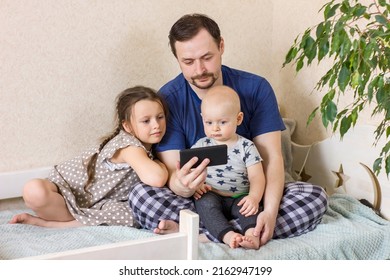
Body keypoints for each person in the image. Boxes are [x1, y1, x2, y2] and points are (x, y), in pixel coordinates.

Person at [129, 13, 328, 245]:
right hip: (199, 201)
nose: (199, 70)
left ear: (221, 46)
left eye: (207, 57)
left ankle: (200, 233)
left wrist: (270, 213)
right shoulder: (168, 100)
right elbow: (173, 176)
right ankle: (237, 231)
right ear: (177, 59)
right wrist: (183, 186)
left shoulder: (256, 88)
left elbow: (272, 159)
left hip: (251, 197)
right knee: (141, 195)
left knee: (315, 197)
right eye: (188, 62)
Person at [10, 86, 168, 228]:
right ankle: (53, 220)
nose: (156, 125)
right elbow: (157, 178)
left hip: (100, 204)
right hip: (66, 192)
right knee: (33, 190)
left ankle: (51, 224)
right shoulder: (129, 146)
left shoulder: (149, 146)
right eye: (146, 121)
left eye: (160, 117)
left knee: (134, 216)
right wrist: (161, 164)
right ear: (127, 126)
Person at [193, 85, 265, 249]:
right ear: (202, 118)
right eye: (209, 122)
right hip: (212, 194)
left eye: (223, 122)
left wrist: (254, 197)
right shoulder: (201, 146)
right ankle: (227, 235)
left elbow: (257, 176)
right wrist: (197, 186)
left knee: (250, 210)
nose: (215, 128)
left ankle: (251, 236)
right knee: (204, 204)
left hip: (239, 196)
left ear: (238, 119)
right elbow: (191, 172)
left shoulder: (246, 146)